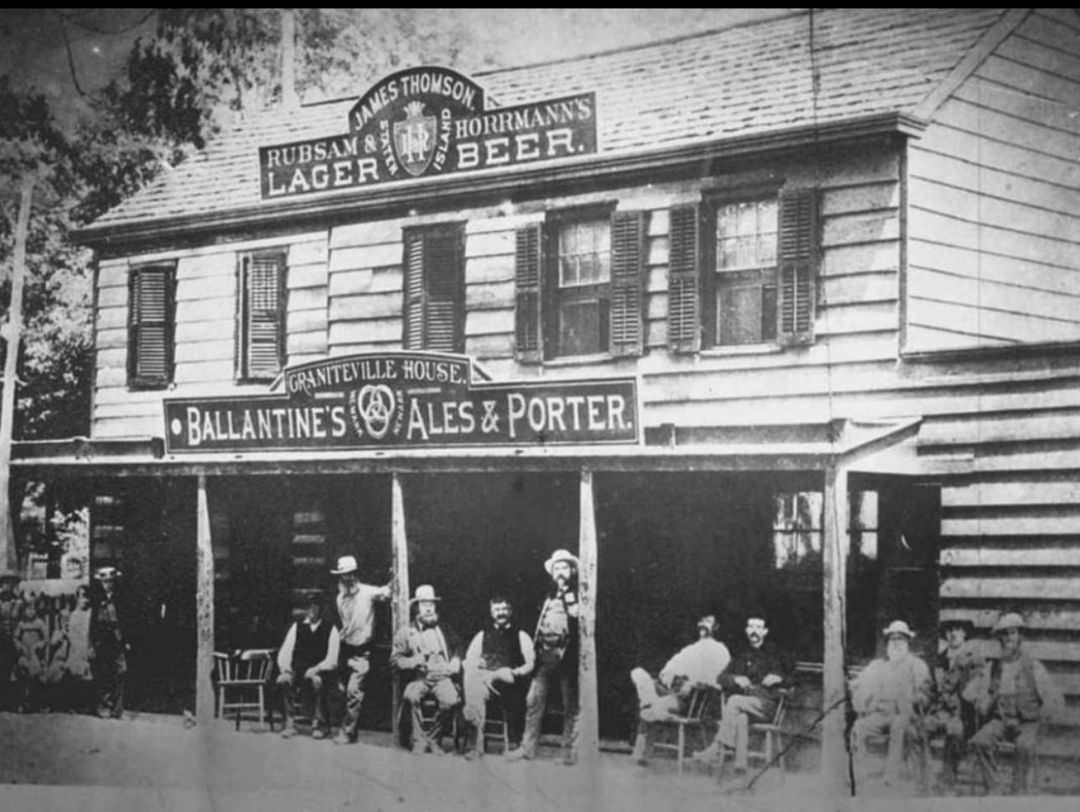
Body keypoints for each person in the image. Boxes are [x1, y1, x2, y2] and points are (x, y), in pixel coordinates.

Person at [969, 612, 1063, 794]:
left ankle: (1017, 791)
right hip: (1001, 721)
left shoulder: (1033, 666)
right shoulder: (993, 667)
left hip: (1027, 722)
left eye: (1012, 633)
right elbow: (971, 693)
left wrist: (1044, 718)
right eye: (1004, 634)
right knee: (980, 741)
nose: (1008, 638)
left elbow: (1055, 699)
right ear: (999, 638)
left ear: (1019, 636)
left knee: (1024, 746)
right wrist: (981, 699)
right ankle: (994, 789)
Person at [508, 548, 581, 765]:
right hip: (544, 656)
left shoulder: (577, 592)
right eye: (557, 567)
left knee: (571, 707)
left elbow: (577, 616)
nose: (560, 571)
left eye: (564, 567)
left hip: (567, 656)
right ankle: (527, 749)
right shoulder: (547, 595)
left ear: (571, 570)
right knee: (533, 701)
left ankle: (568, 753)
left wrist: (567, 594)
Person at [693, 613, 790, 774]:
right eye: (751, 627)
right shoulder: (741, 655)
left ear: (765, 631)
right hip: (747, 707)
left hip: (768, 705)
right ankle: (740, 767)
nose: (754, 631)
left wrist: (779, 678)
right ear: (746, 630)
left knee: (734, 701)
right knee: (740, 718)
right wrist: (736, 678)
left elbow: (793, 679)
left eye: (758, 627)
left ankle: (716, 749)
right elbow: (721, 678)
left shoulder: (776, 653)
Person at [631, 614, 731, 766]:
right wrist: (673, 677)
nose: (703, 625)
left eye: (708, 622)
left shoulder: (720, 651)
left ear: (716, 627)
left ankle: (643, 750)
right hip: (673, 691)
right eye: (701, 621)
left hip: (692, 701)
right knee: (638, 673)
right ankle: (650, 704)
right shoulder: (690, 649)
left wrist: (693, 683)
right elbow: (666, 671)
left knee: (651, 709)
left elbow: (718, 680)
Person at [849, 619, 933, 787]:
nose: (896, 644)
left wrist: (913, 698)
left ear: (908, 642)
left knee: (898, 725)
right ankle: (860, 774)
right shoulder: (878, 665)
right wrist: (855, 686)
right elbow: (860, 682)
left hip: (905, 715)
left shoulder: (917, 666)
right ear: (887, 643)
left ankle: (891, 776)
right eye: (892, 640)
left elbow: (925, 694)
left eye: (900, 639)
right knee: (858, 728)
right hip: (881, 714)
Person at [390, 584, 464, 755]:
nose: (429, 609)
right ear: (417, 607)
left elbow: (458, 646)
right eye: (424, 605)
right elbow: (395, 660)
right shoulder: (406, 632)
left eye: (431, 604)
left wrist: (456, 660)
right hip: (419, 677)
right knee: (412, 696)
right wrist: (415, 661)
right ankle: (419, 741)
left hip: (443, 676)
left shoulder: (444, 629)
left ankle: (433, 739)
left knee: (451, 701)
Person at [461, 594, 536, 760]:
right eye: (497, 610)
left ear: (510, 611)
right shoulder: (482, 635)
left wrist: (516, 672)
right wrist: (477, 665)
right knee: (473, 687)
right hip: (486, 681)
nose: (500, 613)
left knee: (512, 691)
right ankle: (475, 746)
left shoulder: (521, 635)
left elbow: (531, 662)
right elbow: (468, 660)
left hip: (510, 683)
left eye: (504, 609)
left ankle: (513, 745)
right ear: (491, 612)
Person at [331, 555, 391, 744]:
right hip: (344, 650)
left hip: (362, 652)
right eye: (343, 575)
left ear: (355, 574)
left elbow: (387, 592)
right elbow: (344, 624)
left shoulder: (367, 592)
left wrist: (394, 575)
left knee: (353, 691)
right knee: (339, 691)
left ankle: (347, 732)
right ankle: (347, 729)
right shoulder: (340, 598)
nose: (347, 579)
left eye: (350, 574)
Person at [925, 618, 985, 789]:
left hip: (963, 713)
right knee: (920, 727)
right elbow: (932, 688)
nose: (952, 633)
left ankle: (948, 780)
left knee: (955, 730)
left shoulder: (974, 659)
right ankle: (926, 776)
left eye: (957, 629)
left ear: (965, 633)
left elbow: (977, 689)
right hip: (941, 711)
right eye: (949, 629)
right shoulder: (940, 658)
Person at [276, 595, 340, 740]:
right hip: (297, 671)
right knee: (282, 680)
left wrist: (317, 668)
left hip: (319, 672)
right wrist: (285, 667)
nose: (311, 610)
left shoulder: (330, 629)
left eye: (315, 606)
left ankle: (318, 725)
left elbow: (332, 659)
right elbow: (285, 651)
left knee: (316, 682)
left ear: (320, 609)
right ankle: (290, 724)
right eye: (309, 606)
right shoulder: (297, 626)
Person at [88, 565, 129, 719]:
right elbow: (92, 625)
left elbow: (125, 620)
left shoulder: (121, 599)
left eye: (111, 581)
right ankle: (103, 705)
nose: (108, 584)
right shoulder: (97, 600)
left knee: (121, 672)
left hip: (117, 642)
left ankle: (118, 708)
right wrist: (91, 645)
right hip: (102, 643)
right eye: (105, 582)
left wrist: (126, 640)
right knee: (103, 675)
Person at [12, 598, 49, 711]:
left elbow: (46, 638)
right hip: (24, 652)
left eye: (32, 609)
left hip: (35, 654)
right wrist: (19, 646)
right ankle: (22, 702)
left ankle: (38, 702)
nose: (30, 612)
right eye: (28, 610)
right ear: (24, 611)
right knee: (21, 673)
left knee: (36, 675)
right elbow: (15, 637)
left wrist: (39, 645)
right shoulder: (21, 624)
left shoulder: (39, 623)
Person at [0, 571, 21, 710]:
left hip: (14, 639)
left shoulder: (18, 602)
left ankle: (12, 702)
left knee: (13, 669)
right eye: (5, 582)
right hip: (1, 639)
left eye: (11, 582)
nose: (8, 585)